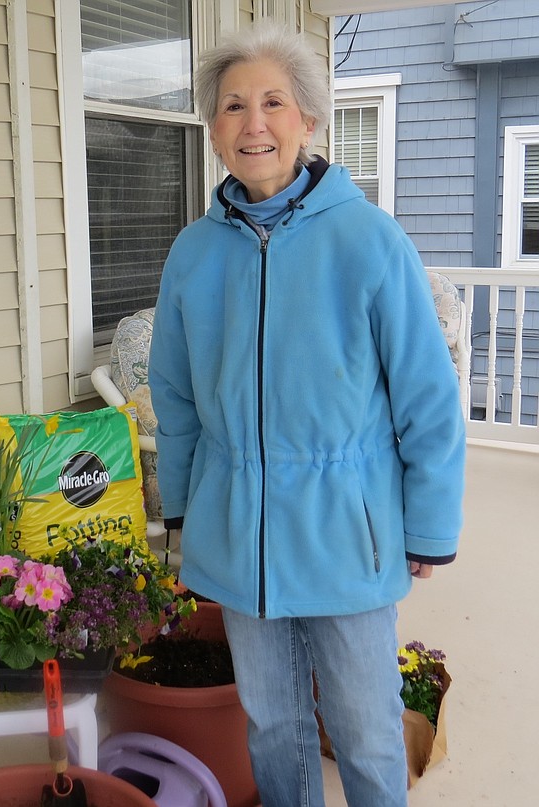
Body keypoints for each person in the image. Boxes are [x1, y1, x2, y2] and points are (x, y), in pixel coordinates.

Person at [148, 19, 466, 807]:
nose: (253, 123)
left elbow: (428, 396)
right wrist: (184, 508)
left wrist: (429, 525)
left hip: (344, 537)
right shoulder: (193, 253)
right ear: (213, 128)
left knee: (363, 729)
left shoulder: (368, 240)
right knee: (272, 728)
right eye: (231, 106)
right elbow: (178, 398)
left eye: (274, 103)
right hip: (235, 530)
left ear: (310, 121)